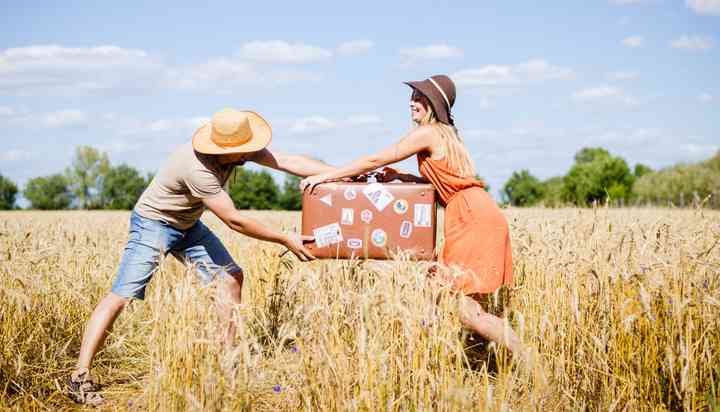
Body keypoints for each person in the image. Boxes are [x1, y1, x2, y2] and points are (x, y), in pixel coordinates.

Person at [67, 108, 333, 405]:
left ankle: (226, 364)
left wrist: (339, 173)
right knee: (122, 295)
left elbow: (288, 161)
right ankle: (79, 376)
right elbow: (235, 220)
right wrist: (284, 237)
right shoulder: (197, 168)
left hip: (188, 223)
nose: (250, 154)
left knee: (231, 278)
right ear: (224, 149)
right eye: (243, 151)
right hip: (154, 223)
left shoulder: (237, 147)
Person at [300, 75, 522, 356]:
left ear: (433, 104)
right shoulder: (447, 135)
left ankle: (528, 358)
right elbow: (443, 181)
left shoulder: (428, 133)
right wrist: (403, 176)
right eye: (413, 96)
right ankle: (461, 356)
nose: (411, 102)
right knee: (449, 296)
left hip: (470, 216)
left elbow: (375, 160)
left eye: (419, 97)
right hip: (474, 211)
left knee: (462, 308)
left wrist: (327, 176)